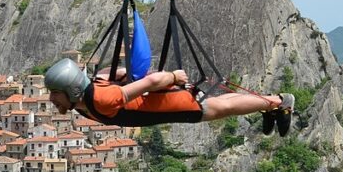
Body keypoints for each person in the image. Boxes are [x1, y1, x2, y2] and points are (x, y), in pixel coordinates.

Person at [43, 57, 294, 133]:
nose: (52, 99)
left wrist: (173, 77)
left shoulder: (99, 99)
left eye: (55, 93)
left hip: (165, 104)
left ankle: (278, 102)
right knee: (216, 105)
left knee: (218, 108)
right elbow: (114, 74)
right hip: (159, 104)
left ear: (71, 89)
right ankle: (271, 102)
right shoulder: (82, 99)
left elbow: (151, 80)